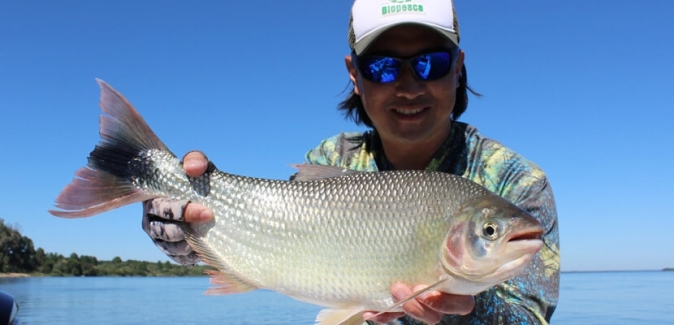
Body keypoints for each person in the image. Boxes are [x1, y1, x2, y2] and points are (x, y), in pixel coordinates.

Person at [142, 0, 560, 324]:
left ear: (458, 70)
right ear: (355, 76)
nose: (409, 87)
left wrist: (454, 315)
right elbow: (267, 249)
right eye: (381, 68)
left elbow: (530, 315)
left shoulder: (517, 183)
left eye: (430, 63)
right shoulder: (328, 160)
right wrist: (189, 231)